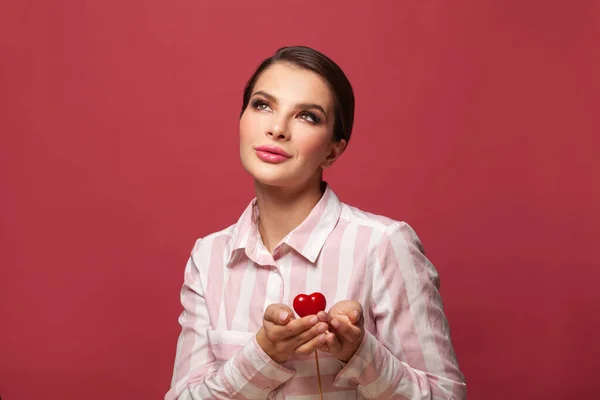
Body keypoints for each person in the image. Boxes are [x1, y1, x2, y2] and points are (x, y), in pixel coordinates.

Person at [165, 45, 466, 399]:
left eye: (307, 116)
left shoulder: (383, 244)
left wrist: (360, 354)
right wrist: (262, 355)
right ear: (241, 119)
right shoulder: (208, 256)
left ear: (333, 150)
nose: (277, 129)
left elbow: (445, 396)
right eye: (263, 105)